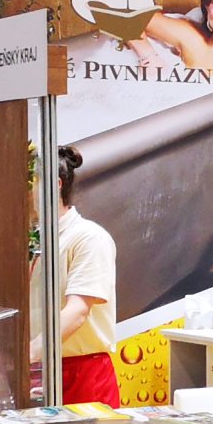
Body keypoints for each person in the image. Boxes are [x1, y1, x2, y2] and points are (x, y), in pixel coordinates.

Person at [49, 145, 121, 407]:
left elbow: (77, 312)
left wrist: (28, 355)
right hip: (44, 372)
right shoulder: (39, 239)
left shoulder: (88, 237)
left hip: (83, 376)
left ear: (54, 185)